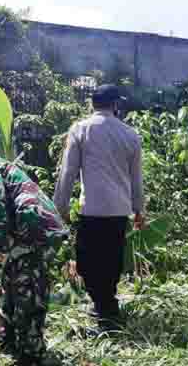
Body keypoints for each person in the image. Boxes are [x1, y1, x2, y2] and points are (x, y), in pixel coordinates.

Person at [0, 135, 69, 364]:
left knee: (27, 289)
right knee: (13, 282)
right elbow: (1, 199)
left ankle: (31, 351)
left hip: (34, 229)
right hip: (35, 228)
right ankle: (12, 340)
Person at [53, 84, 145, 333]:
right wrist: (139, 210)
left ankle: (105, 310)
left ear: (92, 104)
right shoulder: (130, 134)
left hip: (91, 210)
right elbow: (136, 178)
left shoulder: (80, 130)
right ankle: (106, 306)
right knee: (111, 260)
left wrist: (59, 206)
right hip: (118, 211)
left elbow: (68, 172)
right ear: (115, 105)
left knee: (88, 262)